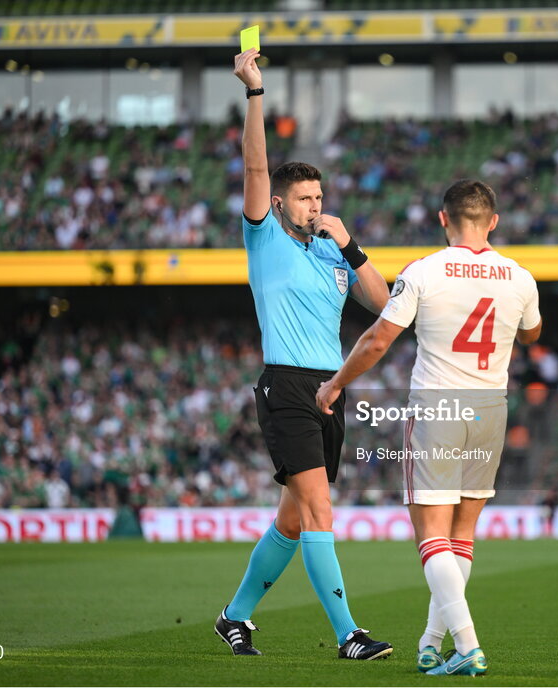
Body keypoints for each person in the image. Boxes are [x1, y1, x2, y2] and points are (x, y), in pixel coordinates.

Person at [315, 179, 542, 676]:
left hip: (439, 405)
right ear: (494, 222)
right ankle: (430, 642)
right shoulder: (520, 277)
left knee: (432, 536)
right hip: (490, 408)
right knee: (461, 535)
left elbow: (378, 340)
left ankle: (467, 646)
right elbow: (532, 332)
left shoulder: (425, 272)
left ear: (443, 219)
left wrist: (334, 384)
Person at [215, 48, 393, 661]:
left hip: (331, 387)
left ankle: (234, 616)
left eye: (320, 197)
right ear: (284, 203)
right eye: (306, 198)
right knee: (320, 510)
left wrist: (351, 245)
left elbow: (383, 302)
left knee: (293, 520)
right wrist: (255, 92)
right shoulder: (263, 235)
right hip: (287, 386)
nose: (315, 206)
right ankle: (349, 635)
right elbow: (255, 169)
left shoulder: (329, 250)